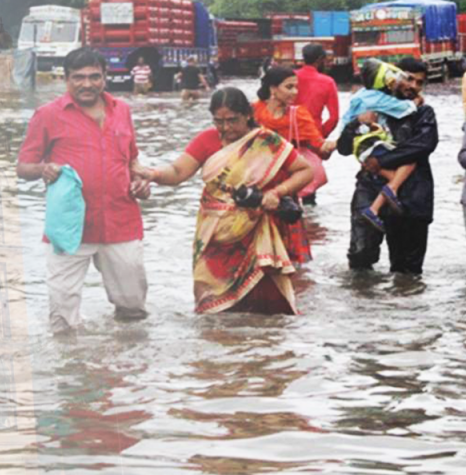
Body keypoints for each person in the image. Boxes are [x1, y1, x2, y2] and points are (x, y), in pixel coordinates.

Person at [138, 88, 314, 314]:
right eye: (219, 121)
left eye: (233, 120)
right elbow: (178, 171)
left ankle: (257, 344)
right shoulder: (207, 140)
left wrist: (277, 193)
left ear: (248, 115)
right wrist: (153, 175)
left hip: (253, 227)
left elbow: (304, 171)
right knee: (209, 295)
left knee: (260, 300)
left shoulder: (266, 141)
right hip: (213, 230)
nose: (226, 128)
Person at [17, 47, 151, 333]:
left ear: (105, 77)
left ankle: (129, 372)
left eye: (94, 76)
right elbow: (23, 167)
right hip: (68, 228)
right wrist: (43, 169)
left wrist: (140, 181)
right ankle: (69, 373)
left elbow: (132, 160)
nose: (87, 84)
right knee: (63, 320)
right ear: (66, 79)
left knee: (133, 309)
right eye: (78, 77)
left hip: (121, 224)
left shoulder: (122, 110)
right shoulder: (48, 115)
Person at [337, 57, 436, 275]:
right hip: (369, 189)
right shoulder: (366, 105)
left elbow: (423, 145)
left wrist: (380, 162)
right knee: (360, 258)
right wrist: (355, 124)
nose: (413, 86)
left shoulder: (422, 112)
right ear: (391, 77)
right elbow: (343, 148)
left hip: (411, 195)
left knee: (407, 272)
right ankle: (367, 308)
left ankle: (399, 309)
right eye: (409, 79)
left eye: (419, 83)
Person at [337, 60, 421, 232]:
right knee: (409, 161)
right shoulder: (378, 99)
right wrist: (417, 102)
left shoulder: (361, 95)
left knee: (392, 174)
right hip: (370, 146)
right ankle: (390, 191)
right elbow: (406, 109)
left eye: (418, 82)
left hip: (360, 148)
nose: (408, 84)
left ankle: (376, 207)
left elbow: (343, 132)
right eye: (407, 79)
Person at [253, 67, 336, 201]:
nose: (295, 92)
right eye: (289, 87)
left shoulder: (298, 115)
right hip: (256, 179)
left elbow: (319, 147)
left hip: (289, 184)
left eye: (296, 87)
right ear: (273, 88)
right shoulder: (253, 112)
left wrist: (333, 144)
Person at [294, 43, 341, 139]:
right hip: (314, 133)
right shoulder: (328, 82)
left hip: (290, 132)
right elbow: (334, 118)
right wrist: (321, 134)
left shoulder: (290, 77)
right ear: (320, 60)